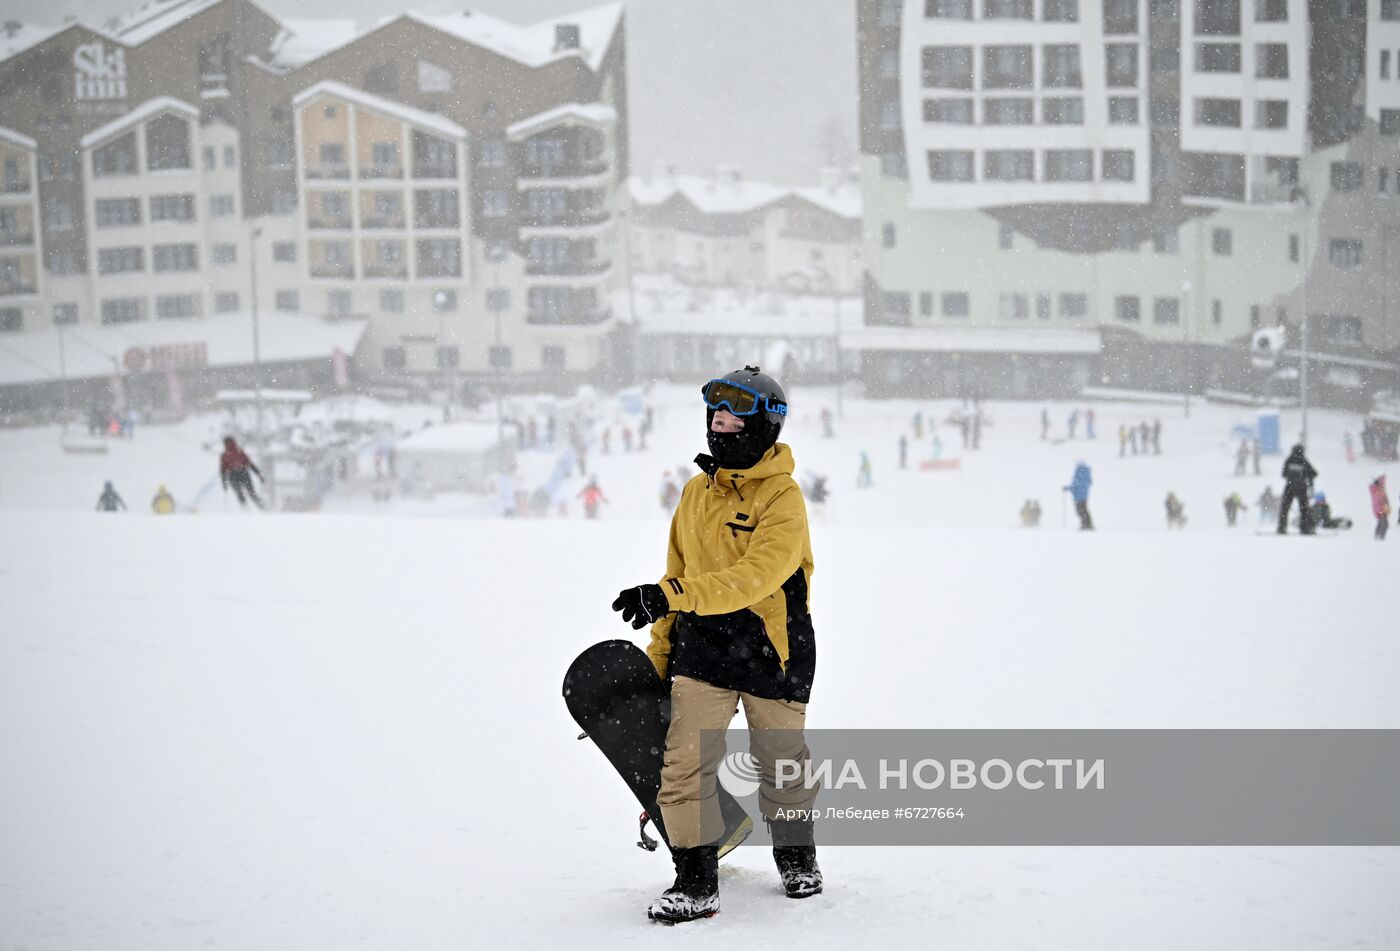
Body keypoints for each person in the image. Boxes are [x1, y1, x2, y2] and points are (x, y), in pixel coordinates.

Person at [611, 366, 821, 923]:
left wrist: (672, 593)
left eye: (732, 417)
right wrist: (658, 655)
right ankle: (695, 879)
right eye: (714, 415)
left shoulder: (784, 498)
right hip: (703, 652)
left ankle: (796, 853)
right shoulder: (694, 493)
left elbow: (756, 576)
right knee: (682, 765)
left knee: (781, 765)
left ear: (763, 425)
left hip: (772, 650)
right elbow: (675, 573)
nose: (719, 424)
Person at [1277, 443, 1317, 535]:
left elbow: (1283, 474)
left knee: (1284, 508)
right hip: (1301, 488)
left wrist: (1291, 477)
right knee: (1304, 510)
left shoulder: (1289, 460)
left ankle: (1282, 528)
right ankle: (1305, 528)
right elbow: (1314, 473)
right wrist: (1305, 478)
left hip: (1289, 487)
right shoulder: (1303, 460)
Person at [219, 436, 265, 510]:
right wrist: (258, 474)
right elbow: (250, 464)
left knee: (240, 494)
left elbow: (223, 470)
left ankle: (245, 510)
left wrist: (224, 483)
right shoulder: (240, 451)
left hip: (233, 476)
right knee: (252, 493)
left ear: (225, 444)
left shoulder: (224, 455)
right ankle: (263, 508)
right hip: (244, 473)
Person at [1065, 461, 1093, 530]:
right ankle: (1087, 524)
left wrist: (1068, 488)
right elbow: (1087, 483)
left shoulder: (1079, 473)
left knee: (1080, 511)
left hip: (1078, 496)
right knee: (1084, 510)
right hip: (1084, 496)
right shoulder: (1086, 474)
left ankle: (1085, 524)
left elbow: (1075, 485)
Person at [1369, 476, 1390, 540]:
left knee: (1382, 523)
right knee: (1384, 523)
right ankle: (1380, 537)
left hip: (1382, 510)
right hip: (1380, 510)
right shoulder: (1376, 491)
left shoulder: (1379, 491)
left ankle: (1378, 536)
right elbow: (1379, 502)